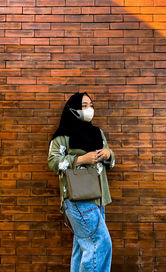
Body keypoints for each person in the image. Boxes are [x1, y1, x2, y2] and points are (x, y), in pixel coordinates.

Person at [47, 92, 115, 272]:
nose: (89, 109)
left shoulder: (97, 133)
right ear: (74, 109)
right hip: (78, 198)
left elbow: (110, 161)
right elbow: (53, 162)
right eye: (84, 105)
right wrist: (81, 159)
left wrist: (107, 154)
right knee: (100, 243)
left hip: (98, 197)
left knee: (83, 245)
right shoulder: (63, 136)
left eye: (91, 105)